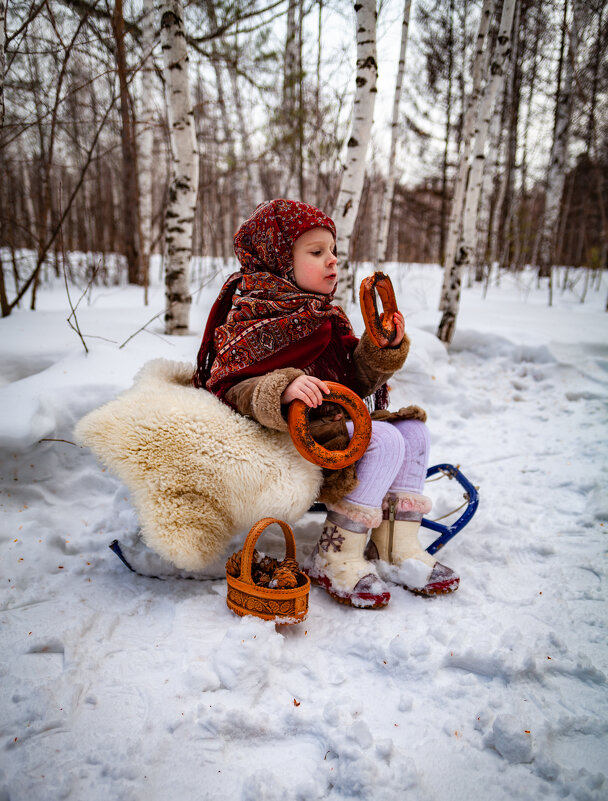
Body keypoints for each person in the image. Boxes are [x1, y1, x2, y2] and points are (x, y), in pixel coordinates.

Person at [193, 199, 459, 608]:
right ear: (278, 260)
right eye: (316, 253)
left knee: (413, 431)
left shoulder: (324, 317)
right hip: (286, 437)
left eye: (333, 251)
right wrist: (281, 389)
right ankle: (335, 555)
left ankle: (396, 546)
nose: (332, 262)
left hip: (333, 423)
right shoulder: (251, 317)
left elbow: (353, 381)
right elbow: (230, 388)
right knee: (384, 439)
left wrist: (380, 348)